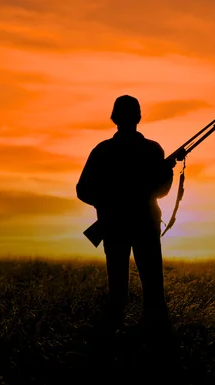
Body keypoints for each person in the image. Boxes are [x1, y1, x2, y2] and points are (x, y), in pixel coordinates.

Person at [76, 95, 176, 333]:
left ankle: (112, 341)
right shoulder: (151, 150)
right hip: (142, 224)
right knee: (152, 289)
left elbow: (83, 190)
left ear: (114, 118)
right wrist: (166, 174)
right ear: (138, 117)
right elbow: (161, 191)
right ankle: (155, 339)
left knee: (118, 290)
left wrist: (108, 206)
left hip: (116, 226)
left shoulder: (103, 151)